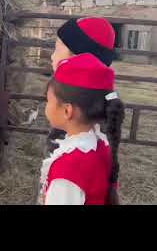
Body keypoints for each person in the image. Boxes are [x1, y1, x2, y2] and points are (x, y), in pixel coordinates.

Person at [38, 16, 121, 204]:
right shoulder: (98, 123)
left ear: (78, 57)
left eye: (57, 48)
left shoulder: (73, 154)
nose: (52, 56)